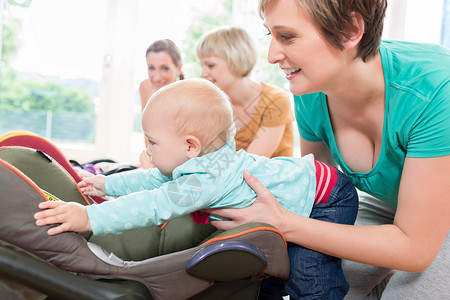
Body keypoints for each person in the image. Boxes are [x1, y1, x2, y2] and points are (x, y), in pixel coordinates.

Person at [205, 0, 450, 299]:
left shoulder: (435, 89)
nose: (271, 56)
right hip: (393, 202)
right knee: (316, 277)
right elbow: (317, 195)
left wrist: (285, 223)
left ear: (349, 30)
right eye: (270, 34)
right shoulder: (311, 88)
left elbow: (416, 248)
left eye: (287, 36)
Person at [35, 79, 359, 299]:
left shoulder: (205, 181)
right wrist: (109, 182)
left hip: (325, 197)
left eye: (152, 142)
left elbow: (153, 205)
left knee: (309, 274)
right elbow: (153, 181)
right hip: (307, 188)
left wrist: (90, 218)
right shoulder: (200, 163)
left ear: (190, 145)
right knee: (270, 274)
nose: (147, 149)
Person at [197, 26, 295, 158]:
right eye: (202, 66)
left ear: (236, 59)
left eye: (210, 65)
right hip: (229, 177)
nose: (203, 74)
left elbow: (250, 165)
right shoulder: (212, 105)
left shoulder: (275, 100)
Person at [138, 39, 184, 169]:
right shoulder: (146, 87)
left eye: (165, 68)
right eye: (151, 68)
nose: (157, 77)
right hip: (154, 162)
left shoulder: (188, 100)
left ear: (178, 68)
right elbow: (147, 136)